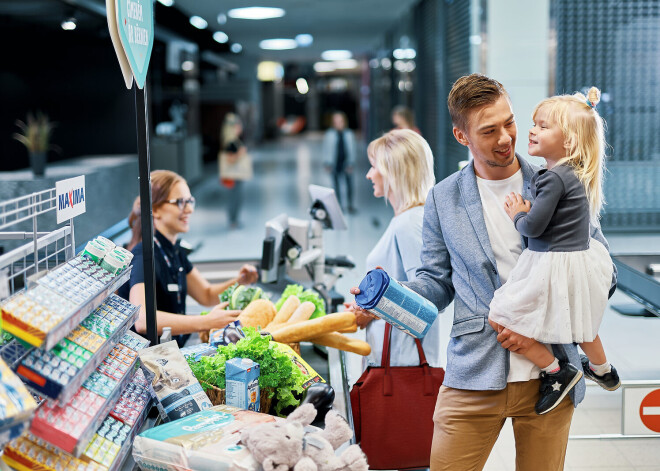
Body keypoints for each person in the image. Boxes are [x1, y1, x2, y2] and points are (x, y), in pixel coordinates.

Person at [353, 74, 616, 470]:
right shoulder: (444, 198)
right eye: (489, 130)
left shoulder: (558, 179)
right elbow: (436, 283)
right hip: (474, 373)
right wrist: (390, 299)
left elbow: (603, 274)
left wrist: (543, 320)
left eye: (509, 122)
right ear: (462, 136)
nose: (506, 137)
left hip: (552, 377)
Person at [489, 87, 620, 415]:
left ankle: (556, 371)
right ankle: (603, 370)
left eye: (544, 126)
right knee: (583, 325)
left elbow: (532, 228)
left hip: (551, 263)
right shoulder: (576, 174)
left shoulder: (553, 178)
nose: (532, 130)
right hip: (579, 260)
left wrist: (518, 212)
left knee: (500, 316)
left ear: (571, 140)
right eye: (533, 123)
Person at [121, 169, 259, 347]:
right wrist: (206, 322)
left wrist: (240, 281)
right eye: (180, 202)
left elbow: (206, 295)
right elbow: (142, 320)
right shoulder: (144, 255)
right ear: (154, 210)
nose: (189, 209)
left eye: (190, 201)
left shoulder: (174, 251)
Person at [352, 129, 441, 369]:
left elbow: (425, 302)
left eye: (374, 167)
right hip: (395, 359)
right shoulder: (406, 219)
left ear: (394, 172)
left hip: (404, 363)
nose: (369, 175)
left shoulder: (410, 223)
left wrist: (372, 309)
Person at [323, 111, 357, 213]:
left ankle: (350, 206)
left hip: (346, 163)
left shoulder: (349, 134)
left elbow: (352, 150)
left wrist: (351, 163)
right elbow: (326, 149)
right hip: (334, 163)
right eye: (336, 122)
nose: (338, 124)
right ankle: (339, 206)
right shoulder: (329, 134)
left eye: (340, 121)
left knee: (349, 185)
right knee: (336, 186)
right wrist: (326, 163)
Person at [220, 113, 249, 229]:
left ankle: (234, 219)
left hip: (236, 175)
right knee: (234, 198)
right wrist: (240, 153)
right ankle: (233, 220)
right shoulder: (230, 142)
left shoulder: (234, 141)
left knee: (236, 197)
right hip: (233, 175)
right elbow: (230, 159)